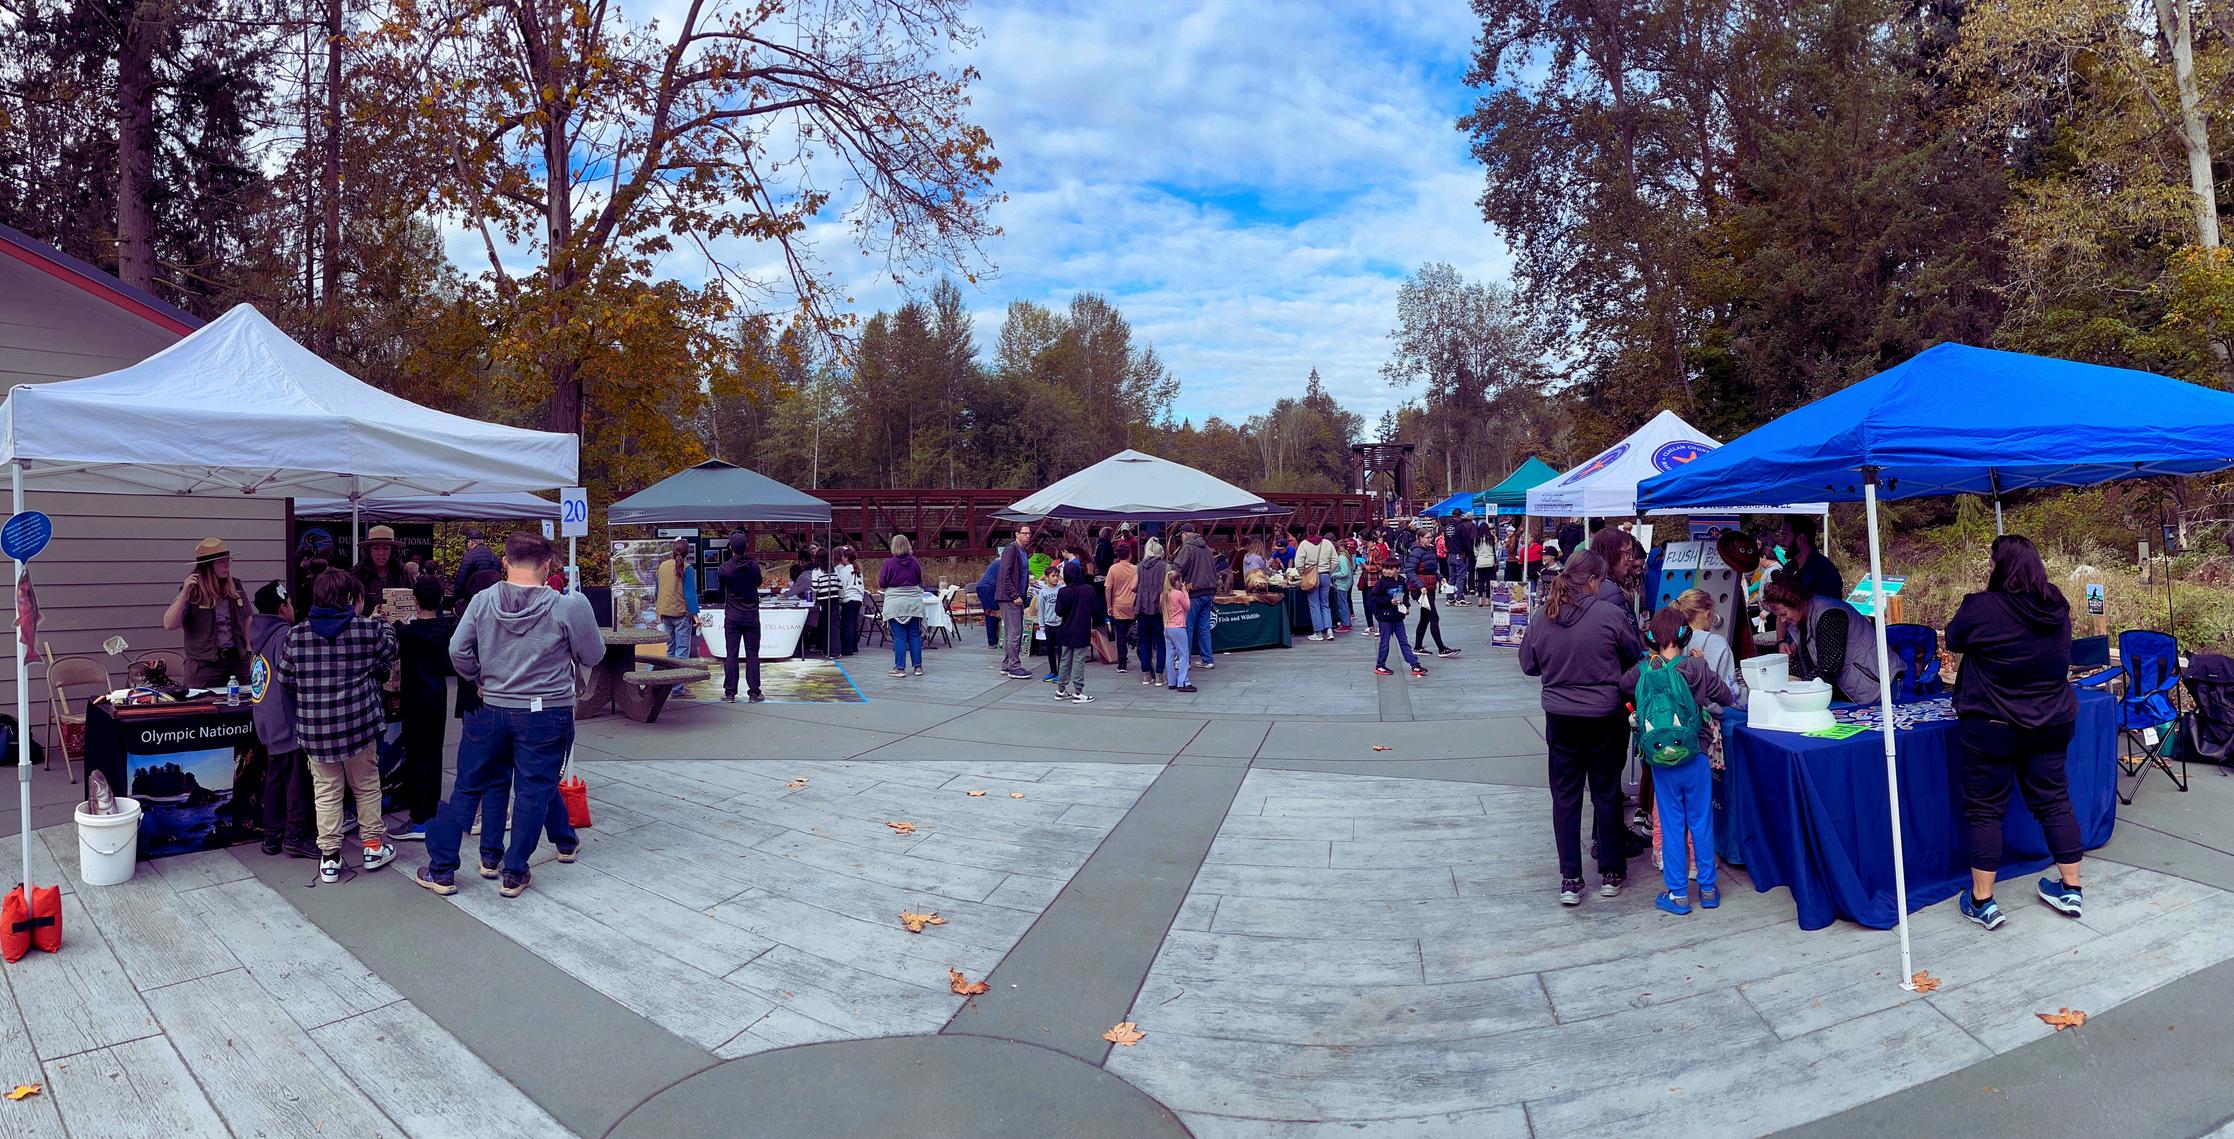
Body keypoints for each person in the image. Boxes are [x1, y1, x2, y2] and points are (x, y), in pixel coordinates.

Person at [417, 531, 601, 899]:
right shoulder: (568, 606)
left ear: (505, 561)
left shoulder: (482, 600)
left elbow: (457, 649)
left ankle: (443, 869)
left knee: (468, 786)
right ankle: (515, 872)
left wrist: (478, 677)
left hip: (491, 707)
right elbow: (593, 655)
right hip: (545, 711)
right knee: (533, 790)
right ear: (547, 565)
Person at [1946, 534, 2087, 929]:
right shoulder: (2055, 604)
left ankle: (1982, 900)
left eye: (1992, 562)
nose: (1989, 568)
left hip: (1992, 725)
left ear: (2001, 566)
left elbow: (1954, 639)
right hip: (2051, 721)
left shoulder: (1981, 607)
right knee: (2054, 801)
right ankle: (2071, 888)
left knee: (1985, 809)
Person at [1519, 552, 1643, 906]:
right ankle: (1612, 872)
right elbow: (1633, 655)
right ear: (1592, 581)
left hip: (1561, 716)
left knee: (1565, 796)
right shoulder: (1610, 615)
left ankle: (1571, 878)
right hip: (1604, 714)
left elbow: (1528, 664)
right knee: (1606, 791)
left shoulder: (1543, 616)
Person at [279, 568, 400, 884]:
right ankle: (372, 848)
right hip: (359, 724)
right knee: (366, 785)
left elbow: (285, 679)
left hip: (316, 730)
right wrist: (384, 624)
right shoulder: (367, 629)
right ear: (349, 598)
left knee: (326, 792)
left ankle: (330, 858)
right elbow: (391, 651)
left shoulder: (296, 634)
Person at [1623, 606, 1739, 916]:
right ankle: (1708, 889)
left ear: (1651, 639)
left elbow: (1622, 685)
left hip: (1662, 762)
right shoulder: (1696, 667)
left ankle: (1677, 895)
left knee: (1672, 825)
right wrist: (1702, 668)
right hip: (1696, 756)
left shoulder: (1644, 670)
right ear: (1685, 635)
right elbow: (1727, 697)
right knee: (1701, 822)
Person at [248, 581, 315, 858]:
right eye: (290, 603)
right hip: (287, 720)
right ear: (283, 607)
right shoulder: (285, 635)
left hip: (267, 720)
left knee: (274, 780)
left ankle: (272, 836)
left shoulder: (258, 635)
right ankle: (296, 836)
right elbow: (293, 677)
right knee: (296, 782)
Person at [1761, 576, 1901, 705]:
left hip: (1878, 684)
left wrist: (1794, 688)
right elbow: (1807, 663)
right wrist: (1784, 676)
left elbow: (1827, 667)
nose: (1783, 620)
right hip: (1858, 688)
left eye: (1784, 614)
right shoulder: (1803, 618)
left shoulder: (1830, 615)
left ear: (1797, 602)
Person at [388, 574, 454, 841]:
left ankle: (418, 818)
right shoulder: (447, 630)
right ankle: (432, 812)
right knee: (434, 756)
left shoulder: (407, 633)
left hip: (414, 700)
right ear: (440, 600)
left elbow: (393, 639)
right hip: (438, 698)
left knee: (415, 758)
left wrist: (393, 622)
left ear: (415, 601)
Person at [165, 538, 251, 688]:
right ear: (207, 566)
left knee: (241, 699)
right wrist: (184, 593)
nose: (227, 566)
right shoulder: (193, 590)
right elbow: (169, 624)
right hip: (204, 665)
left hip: (237, 661)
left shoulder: (235, 586)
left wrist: (248, 651)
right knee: (204, 701)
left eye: (228, 560)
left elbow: (247, 619)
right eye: (221, 562)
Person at [718, 531, 764, 703]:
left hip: (732, 615)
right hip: (751, 614)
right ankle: (754, 692)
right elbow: (758, 582)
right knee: (752, 654)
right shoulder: (754, 566)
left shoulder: (725, 568)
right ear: (746, 547)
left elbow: (721, 591)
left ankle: (730, 693)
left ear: (731, 547)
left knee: (732, 654)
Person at [1365, 559, 1427, 677]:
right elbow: (1373, 599)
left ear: (1398, 570)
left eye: (1390, 569)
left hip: (1398, 617)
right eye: (1385, 568)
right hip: (1385, 618)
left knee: (1404, 642)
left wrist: (1406, 607)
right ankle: (1380, 665)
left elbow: (1405, 596)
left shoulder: (1402, 581)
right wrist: (1389, 602)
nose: (1386, 571)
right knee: (1385, 642)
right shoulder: (1381, 583)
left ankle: (1415, 664)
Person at [1401, 527, 1457, 657]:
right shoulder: (1416, 551)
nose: (1429, 539)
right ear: (1420, 538)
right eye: (1427, 537)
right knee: (1434, 617)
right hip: (1420, 590)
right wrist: (1420, 586)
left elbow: (1431, 569)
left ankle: (1418, 647)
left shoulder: (1429, 550)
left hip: (1429, 587)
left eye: (1430, 537)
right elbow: (1410, 571)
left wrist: (1440, 578)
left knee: (1425, 618)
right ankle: (1442, 649)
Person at [879, 535, 928, 678]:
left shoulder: (889, 563)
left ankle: (900, 668)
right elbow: (919, 579)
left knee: (899, 637)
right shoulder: (914, 561)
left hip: (895, 603)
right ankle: (918, 667)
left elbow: (882, 582)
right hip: (913, 602)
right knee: (914, 636)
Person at [655, 538, 701, 689]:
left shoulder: (662, 566)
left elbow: (657, 590)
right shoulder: (687, 568)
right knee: (681, 652)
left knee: (670, 650)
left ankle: (669, 686)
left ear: (673, 550)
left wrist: (658, 611)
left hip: (665, 613)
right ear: (687, 553)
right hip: (681, 614)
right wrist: (695, 615)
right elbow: (690, 593)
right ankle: (678, 688)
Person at [1175, 524, 1219, 670]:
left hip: (1194, 593)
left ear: (1185, 534)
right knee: (1204, 628)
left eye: (1181, 535)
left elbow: (1178, 567)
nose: (1181, 538)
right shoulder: (1207, 548)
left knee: (1187, 628)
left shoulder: (1188, 548)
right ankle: (1207, 660)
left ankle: (1185, 661)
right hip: (1208, 592)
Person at [1053, 562, 1096, 703]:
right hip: (1082, 629)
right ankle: (1078, 691)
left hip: (1066, 629)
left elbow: (1059, 612)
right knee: (1079, 660)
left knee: (1065, 659)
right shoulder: (1088, 590)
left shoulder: (1062, 591)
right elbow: (1094, 609)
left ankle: (1061, 689)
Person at [997, 523, 1035, 678]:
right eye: (1024, 533)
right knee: (1015, 632)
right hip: (1010, 598)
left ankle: (1007, 664)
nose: (1027, 536)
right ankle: (1014, 666)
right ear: (1017, 534)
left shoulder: (1023, 551)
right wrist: (1014, 595)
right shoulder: (1011, 550)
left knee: (1011, 632)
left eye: (1029, 533)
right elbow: (1004, 575)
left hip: (1017, 596)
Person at [354, 525, 412, 615]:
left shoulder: (402, 574)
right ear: (369, 551)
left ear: (392, 551)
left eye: (386, 548)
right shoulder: (357, 575)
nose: (381, 553)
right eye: (376, 548)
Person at [1783, 515, 1843, 602]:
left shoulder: (1825, 572)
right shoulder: (1788, 568)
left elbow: (1830, 606)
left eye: (1785, 537)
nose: (1782, 542)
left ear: (1801, 539)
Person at [1135, 538, 1168, 685]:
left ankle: (1146, 675)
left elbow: (1133, 586)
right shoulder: (1165, 566)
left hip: (1142, 608)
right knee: (1160, 641)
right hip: (1158, 609)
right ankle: (1159, 676)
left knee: (1144, 641)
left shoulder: (1140, 567)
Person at [1295, 527, 1338, 641]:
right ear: (1318, 531)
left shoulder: (1304, 544)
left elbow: (1298, 563)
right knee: (1325, 603)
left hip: (1311, 576)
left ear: (1307, 532)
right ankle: (1329, 630)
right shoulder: (1327, 543)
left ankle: (1318, 633)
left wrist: (1303, 573)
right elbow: (1335, 561)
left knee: (1314, 605)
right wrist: (1329, 571)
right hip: (1325, 575)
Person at [1107, 541, 1138, 675]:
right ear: (1130, 555)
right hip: (1133, 604)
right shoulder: (1136, 569)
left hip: (1118, 604)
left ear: (1118, 555)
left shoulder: (1113, 569)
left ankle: (1122, 664)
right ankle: (1133, 643)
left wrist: (1109, 605)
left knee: (1120, 635)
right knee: (1134, 630)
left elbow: (1108, 588)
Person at [1163, 575, 1196, 692]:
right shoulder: (1178, 594)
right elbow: (1187, 607)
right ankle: (1183, 682)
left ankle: (1171, 681)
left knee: (1169, 655)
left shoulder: (1163, 595)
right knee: (1183, 655)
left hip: (1167, 627)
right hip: (1178, 627)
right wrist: (1185, 591)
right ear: (1177, 581)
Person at [1034, 563, 1064, 680]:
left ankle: (1062, 672)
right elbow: (1041, 609)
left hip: (1060, 623)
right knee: (1050, 649)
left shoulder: (1061, 589)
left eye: (1057, 576)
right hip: (1048, 623)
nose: (1055, 578)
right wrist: (1041, 625)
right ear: (1047, 577)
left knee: (1061, 649)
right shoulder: (1043, 592)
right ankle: (1053, 671)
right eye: (1053, 576)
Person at [452, 528, 500, 599]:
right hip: (491, 598)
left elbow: (461, 581)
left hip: (473, 598)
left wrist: (456, 600)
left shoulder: (469, 556)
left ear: (471, 542)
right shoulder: (494, 557)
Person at [835, 548, 865, 658]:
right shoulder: (858, 569)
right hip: (858, 598)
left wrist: (840, 599)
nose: (842, 558)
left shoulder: (844, 570)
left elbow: (842, 586)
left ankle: (847, 649)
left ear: (846, 558)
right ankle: (854, 647)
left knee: (847, 624)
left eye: (843, 556)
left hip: (848, 598)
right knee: (854, 623)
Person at [974, 548, 1003, 650]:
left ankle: (995, 639)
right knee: (992, 613)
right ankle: (992, 642)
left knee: (994, 613)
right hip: (987, 588)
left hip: (987, 587)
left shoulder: (999, 562)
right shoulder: (1002, 563)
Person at [1328, 529, 1356, 633]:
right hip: (1345, 584)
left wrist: (1333, 574)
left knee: (1342, 605)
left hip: (1342, 584)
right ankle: (1347, 622)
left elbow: (1344, 573)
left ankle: (1345, 624)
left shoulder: (1341, 558)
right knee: (1345, 604)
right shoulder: (1345, 556)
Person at [1449, 512, 1477, 604]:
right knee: (1461, 576)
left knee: (1452, 576)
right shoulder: (1461, 526)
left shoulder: (1448, 527)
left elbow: (1446, 540)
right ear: (1460, 516)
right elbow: (1466, 541)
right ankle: (1459, 598)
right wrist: (1468, 552)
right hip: (1460, 554)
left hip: (1450, 553)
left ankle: (1450, 597)